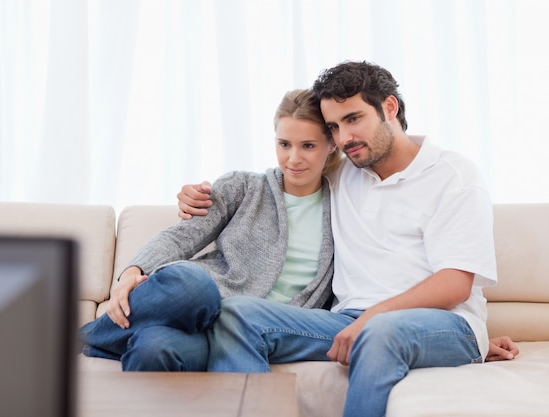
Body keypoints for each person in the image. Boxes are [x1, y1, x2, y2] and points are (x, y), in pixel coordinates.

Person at [177, 60, 519, 417]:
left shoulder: (453, 175)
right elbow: (283, 171)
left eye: (353, 119)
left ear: (389, 107)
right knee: (235, 315)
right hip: (350, 321)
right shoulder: (342, 171)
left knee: (382, 332)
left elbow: (455, 284)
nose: (343, 139)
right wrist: (202, 196)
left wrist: (375, 317)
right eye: (334, 127)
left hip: (442, 321)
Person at [78, 88, 343, 371]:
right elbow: (180, 237)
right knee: (191, 286)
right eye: (284, 144)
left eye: (308, 146)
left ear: (332, 145)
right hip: (200, 310)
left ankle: (86, 339)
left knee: (151, 347)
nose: (293, 159)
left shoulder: (344, 204)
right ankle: (86, 337)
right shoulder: (242, 187)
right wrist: (133, 271)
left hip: (261, 332)